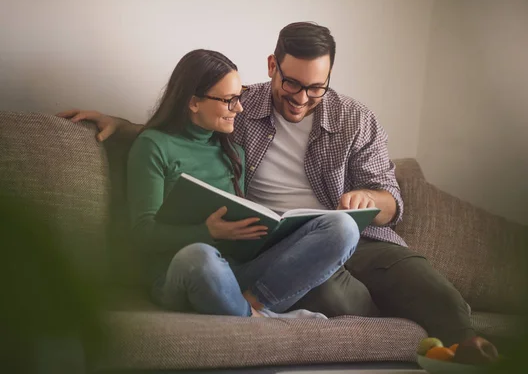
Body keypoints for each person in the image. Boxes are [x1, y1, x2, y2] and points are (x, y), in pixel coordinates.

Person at [58, 22, 493, 350]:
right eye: (292, 84)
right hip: (276, 246)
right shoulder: (240, 107)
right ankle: (276, 309)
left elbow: (392, 202)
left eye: (316, 88)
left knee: (416, 277)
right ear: (272, 67)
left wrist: (370, 199)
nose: (302, 98)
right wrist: (123, 127)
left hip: (352, 234)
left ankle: (467, 343)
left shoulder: (354, 119)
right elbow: (184, 128)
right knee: (327, 291)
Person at [107, 48, 360, 319]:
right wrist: (209, 232)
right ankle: (267, 321)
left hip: (234, 272)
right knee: (199, 256)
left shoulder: (232, 151)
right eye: (229, 100)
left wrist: (265, 233)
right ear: (193, 102)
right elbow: (142, 234)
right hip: (182, 273)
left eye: (240, 97)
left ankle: (252, 307)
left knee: (342, 227)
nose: (239, 108)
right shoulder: (153, 146)